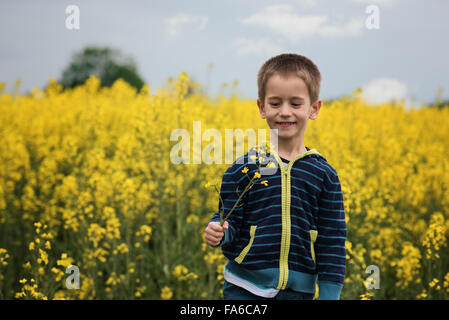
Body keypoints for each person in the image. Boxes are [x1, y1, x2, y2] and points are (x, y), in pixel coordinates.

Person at [204, 53, 346, 300]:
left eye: (295, 103)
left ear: (314, 108)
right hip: (244, 287)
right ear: (262, 108)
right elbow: (229, 218)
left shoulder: (324, 175)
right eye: (276, 103)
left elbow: (332, 241)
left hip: (298, 292)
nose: (285, 112)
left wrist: (329, 294)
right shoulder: (246, 166)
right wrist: (219, 230)